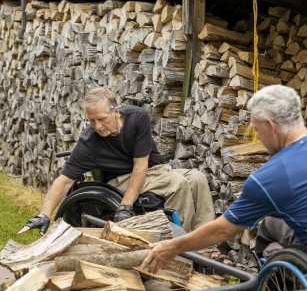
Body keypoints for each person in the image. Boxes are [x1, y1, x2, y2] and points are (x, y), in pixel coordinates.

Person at [140, 84, 307, 275]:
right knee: (274, 222)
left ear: (271, 126)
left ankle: (274, 281)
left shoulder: (268, 177)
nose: (257, 138)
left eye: (257, 130)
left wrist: (172, 246)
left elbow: (223, 231)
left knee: (267, 225)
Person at [18, 87, 215, 235]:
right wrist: (44, 214)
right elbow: (65, 180)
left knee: (197, 178)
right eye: (92, 120)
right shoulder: (89, 143)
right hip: (120, 180)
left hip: (154, 171)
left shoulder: (137, 118)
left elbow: (141, 165)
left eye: (102, 119)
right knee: (177, 183)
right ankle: (183, 247)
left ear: (117, 111)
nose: (97, 126)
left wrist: (126, 206)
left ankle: (205, 241)